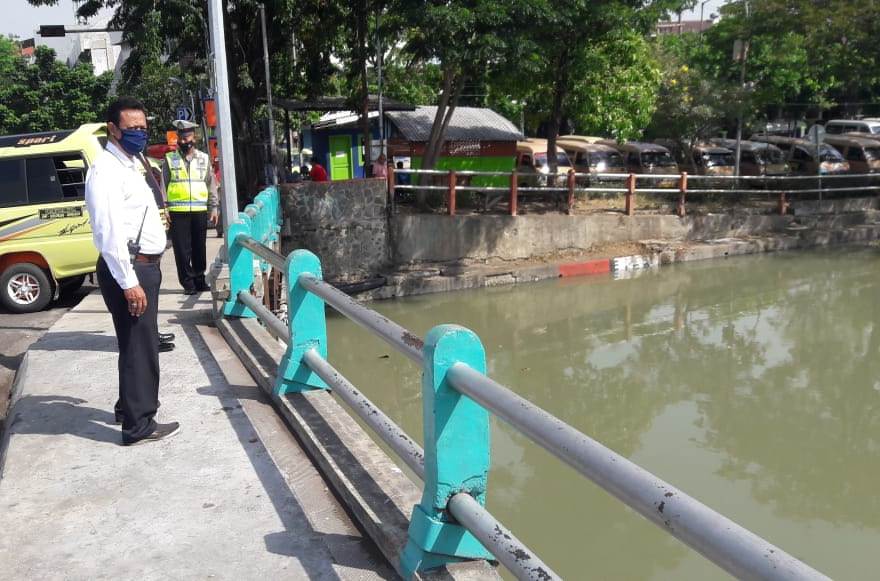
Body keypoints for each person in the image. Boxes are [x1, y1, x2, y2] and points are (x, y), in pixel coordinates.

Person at [85, 96, 179, 446]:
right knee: (141, 348)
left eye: (143, 127)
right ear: (113, 128)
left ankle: (129, 408)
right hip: (130, 268)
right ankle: (139, 426)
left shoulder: (129, 164)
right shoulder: (106, 171)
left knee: (135, 343)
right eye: (132, 128)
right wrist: (129, 283)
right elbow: (107, 232)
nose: (140, 133)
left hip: (141, 265)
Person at [162, 120, 219, 294]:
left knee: (199, 247)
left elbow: (211, 184)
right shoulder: (170, 159)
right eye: (181, 138)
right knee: (182, 250)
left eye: (187, 138)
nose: (184, 141)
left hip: (199, 210)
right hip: (177, 211)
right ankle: (188, 284)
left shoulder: (203, 158)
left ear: (194, 137)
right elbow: (164, 184)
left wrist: (214, 207)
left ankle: (200, 280)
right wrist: (165, 208)